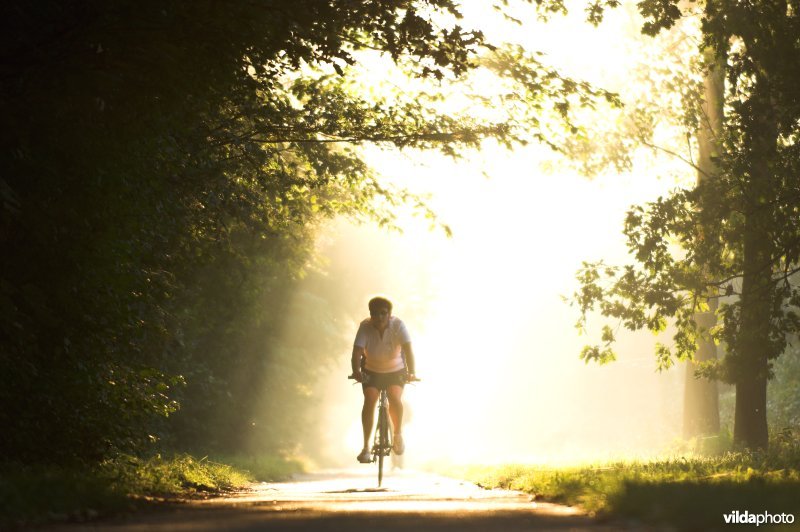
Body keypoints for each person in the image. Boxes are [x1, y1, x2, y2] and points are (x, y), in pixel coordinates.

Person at [351, 296, 417, 463]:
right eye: (374, 314)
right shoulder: (365, 327)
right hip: (371, 370)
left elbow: (408, 350)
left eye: (383, 313)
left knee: (394, 397)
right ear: (370, 314)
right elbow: (357, 352)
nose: (378, 317)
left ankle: (397, 435)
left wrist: (412, 372)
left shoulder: (398, 326)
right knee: (370, 399)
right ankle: (366, 447)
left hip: (395, 370)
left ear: (389, 314)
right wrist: (356, 371)